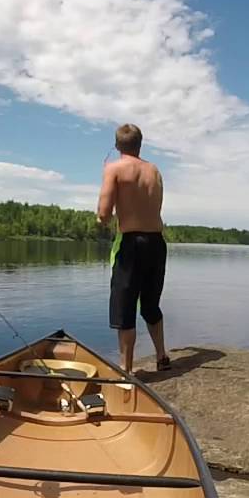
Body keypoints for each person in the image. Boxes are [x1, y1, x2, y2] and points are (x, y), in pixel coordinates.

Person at [97, 123, 170, 375]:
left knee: (124, 306)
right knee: (150, 304)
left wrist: (100, 219)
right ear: (140, 144)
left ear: (118, 146)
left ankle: (126, 371)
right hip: (157, 243)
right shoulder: (155, 171)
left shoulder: (114, 168)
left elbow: (104, 214)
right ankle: (162, 356)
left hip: (130, 244)